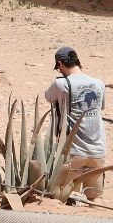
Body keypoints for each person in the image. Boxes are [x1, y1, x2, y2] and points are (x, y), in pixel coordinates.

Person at [43, 46, 107, 202]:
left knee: (69, 199)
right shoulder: (99, 83)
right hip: (98, 151)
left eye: (58, 68)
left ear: (60, 64)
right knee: (95, 200)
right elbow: (101, 107)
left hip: (74, 152)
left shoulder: (61, 84)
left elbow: (48, 97)